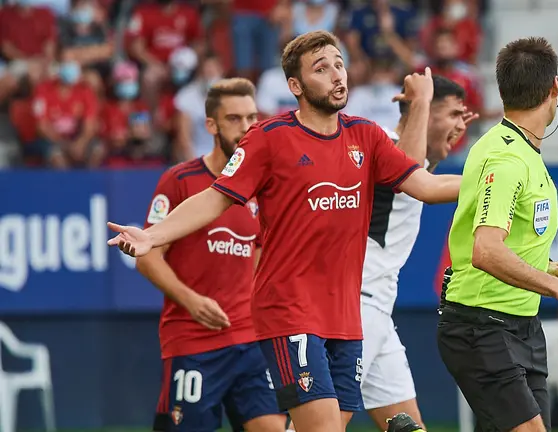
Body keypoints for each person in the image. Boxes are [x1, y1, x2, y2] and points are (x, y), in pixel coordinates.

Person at [106, 30, 462, 432]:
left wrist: (490, 179)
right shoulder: (270, 138)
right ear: (296, 85)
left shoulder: (365, 134)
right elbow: (214, 198)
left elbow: (427, 187)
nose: (336, 75)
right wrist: (153, 236)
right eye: (321, 68)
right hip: (290, 311)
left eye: (339, 64)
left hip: (346, 318)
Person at [435, 36, 558, 432]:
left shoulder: (520, 150)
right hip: (480, 325)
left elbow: (505, 244)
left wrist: (550, 269)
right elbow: (485, 250)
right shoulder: (505, 157)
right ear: (555, 87)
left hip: (521, 325)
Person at [135, 78, 286, 432]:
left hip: (250, 341)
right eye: (234, 119)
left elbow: (259, 254)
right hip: (193, 341)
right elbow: (147, 257)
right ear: (211, 125)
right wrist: (192, 301)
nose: (246, 128)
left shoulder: (263, 187)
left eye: (252, 118)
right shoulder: (180, 181)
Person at [361, 75, 478, 431]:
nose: (461, 124)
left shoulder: (412, 157)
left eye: (464, 116)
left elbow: (417, 169)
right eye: (454, 114)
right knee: (320, 424)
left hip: (376, 308)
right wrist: (422, 102)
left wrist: (443, 129)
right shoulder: (384, 145)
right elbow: (407, 179)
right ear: (422, 111)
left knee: (409, 426)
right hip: (355, 308)